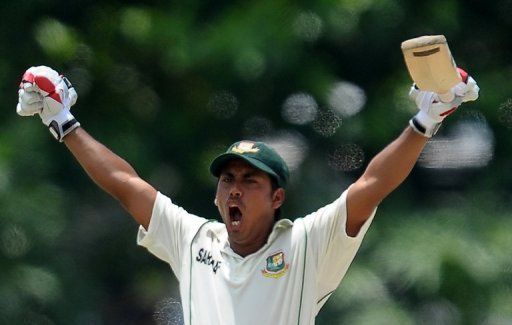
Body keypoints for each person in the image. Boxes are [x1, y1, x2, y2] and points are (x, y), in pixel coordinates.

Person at [16, 65, 479, 324]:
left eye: (250, 181)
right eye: (227, 181)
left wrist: (425, 122)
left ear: (277, 199)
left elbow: (371, 186)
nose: (234, 190)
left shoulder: (304, 246)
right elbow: (126, 185)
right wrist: (64, 123)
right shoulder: (195, 239)